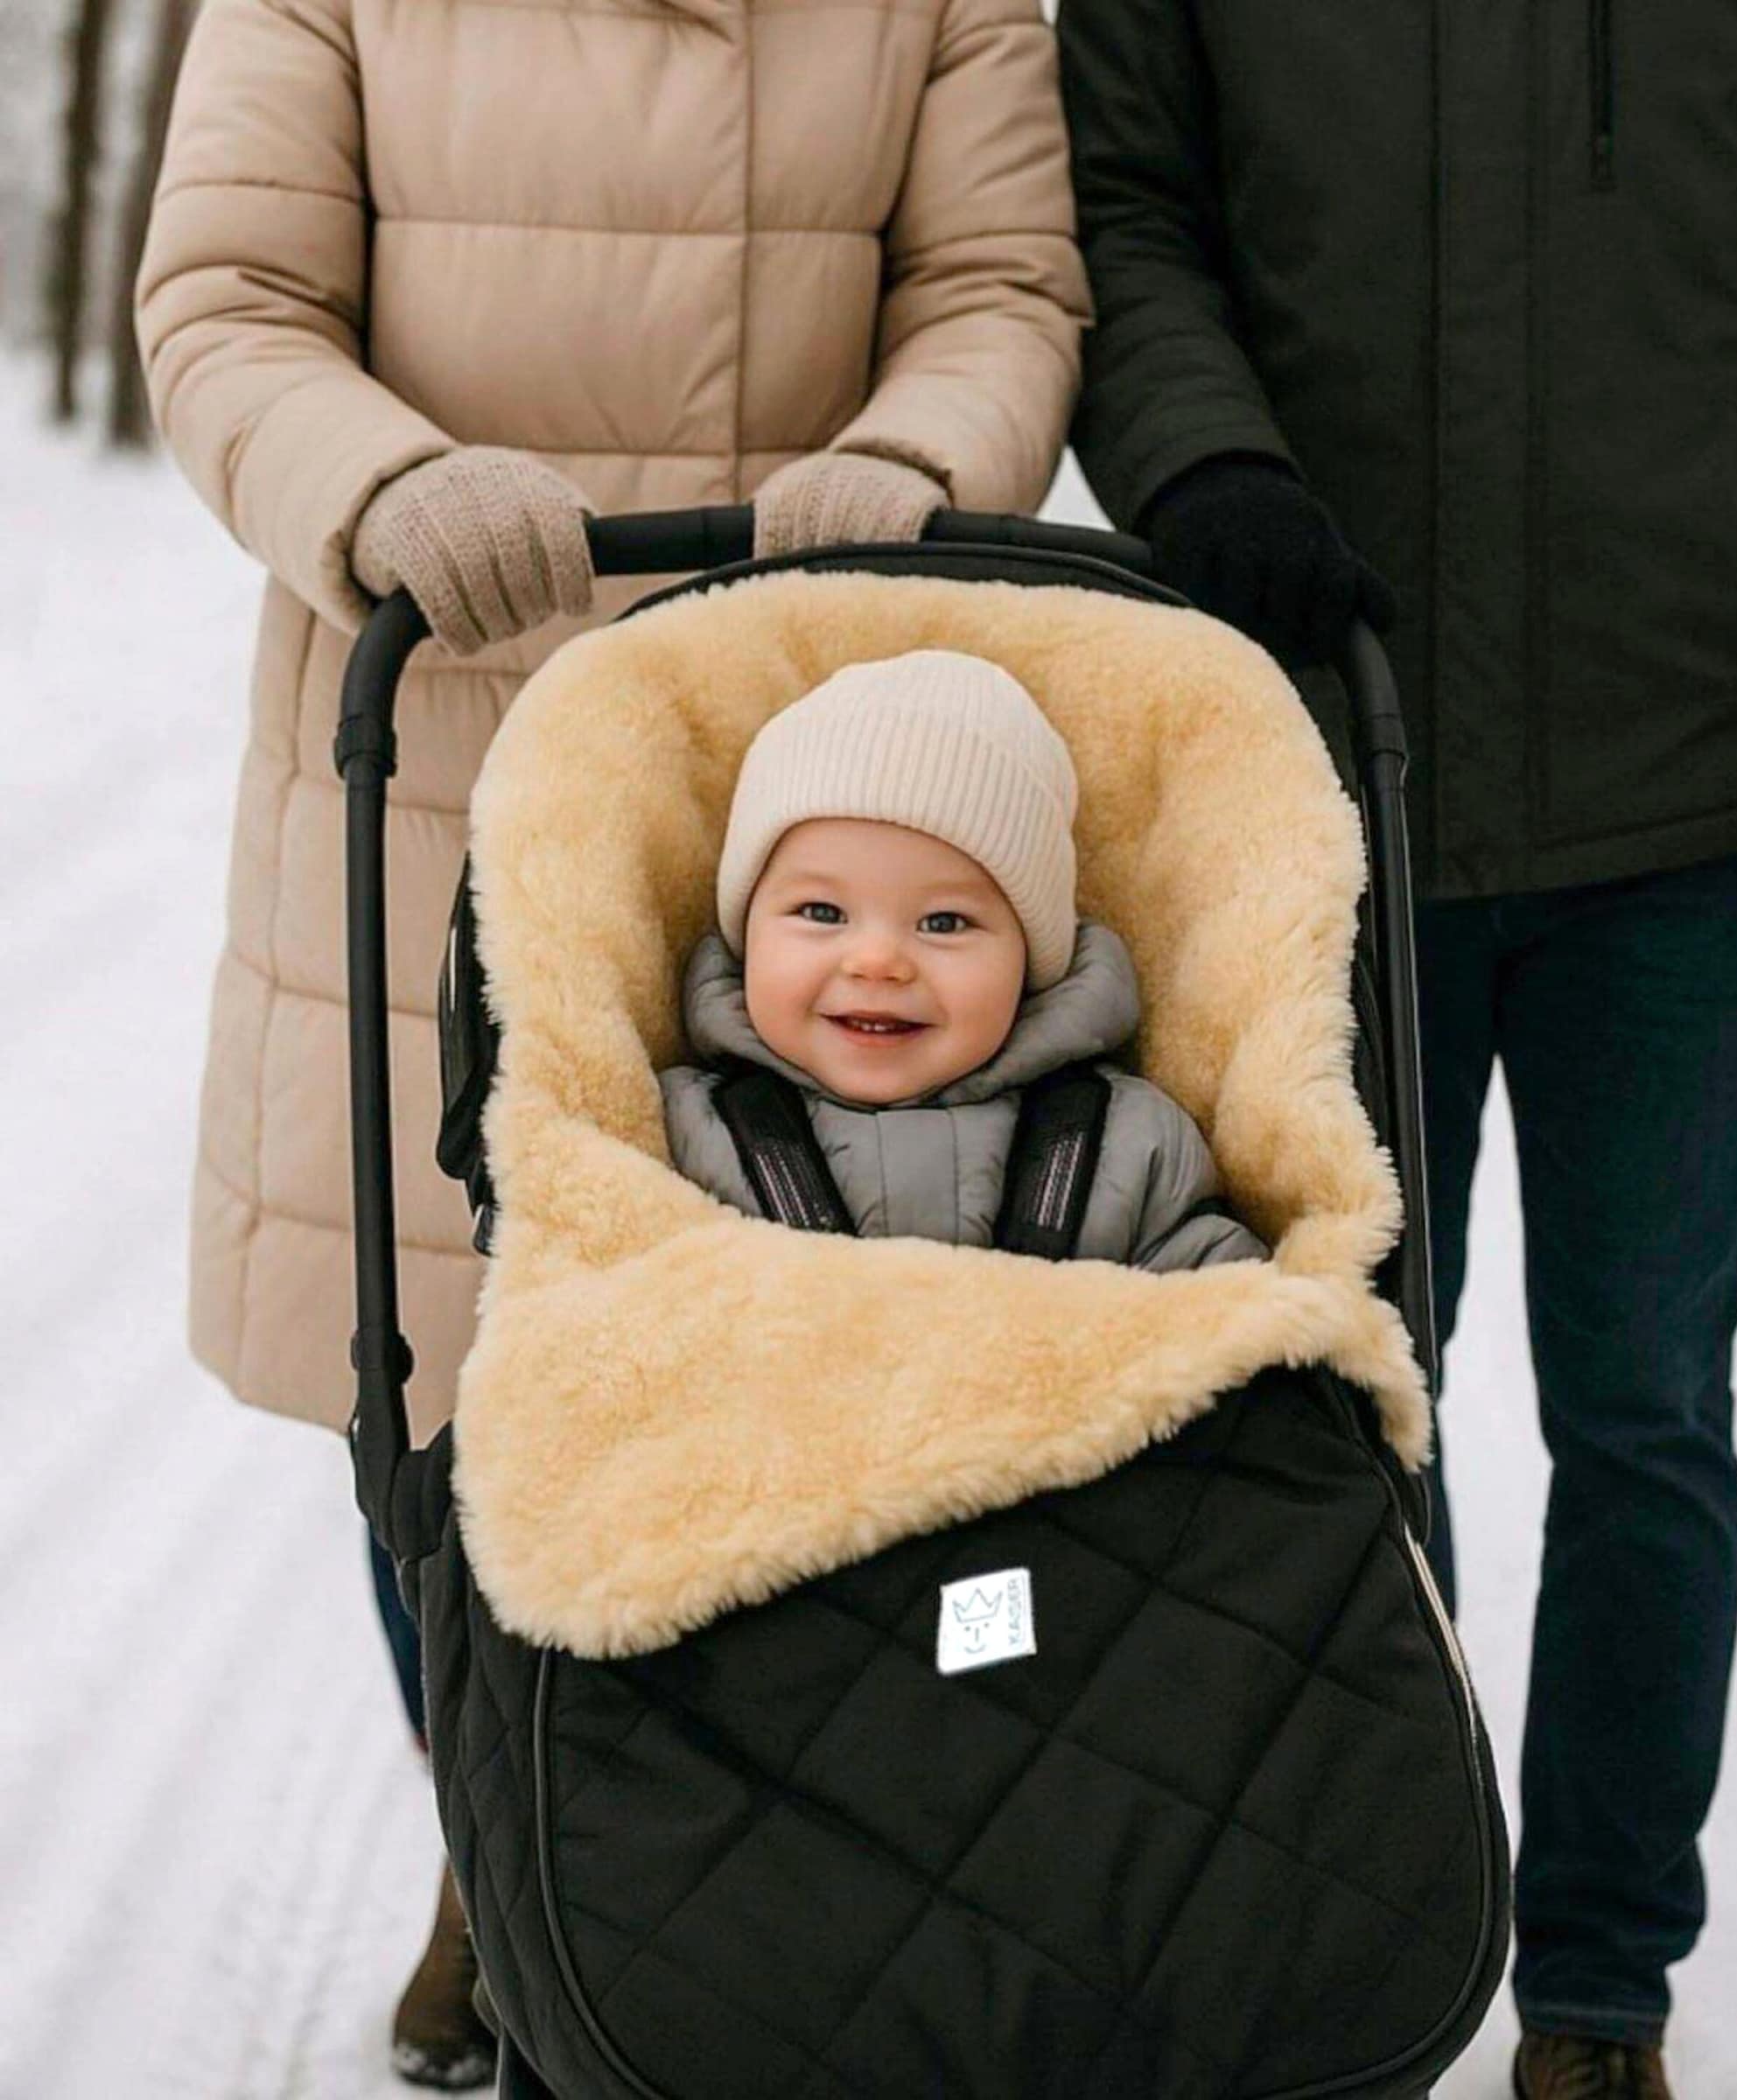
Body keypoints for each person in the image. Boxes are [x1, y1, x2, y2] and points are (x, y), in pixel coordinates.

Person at [1056, 1, 1737, 2092]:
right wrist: (1201, 455)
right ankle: (1365, 1941)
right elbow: (1119, 206)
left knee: (1646, 1410)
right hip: (1313, 760)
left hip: (1675, 782)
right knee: (1327, 1401)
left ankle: (1596, 1993)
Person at [137, 1, 1087, 2082]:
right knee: (434, 1380)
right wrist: (383, 478)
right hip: (432, 746)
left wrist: (919, 457)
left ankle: (711, 1883)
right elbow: (227, 299)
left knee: (784, 1376)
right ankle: (505, 1840)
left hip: (802, 769)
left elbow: (1000, 284)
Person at [659, 649, 1266, 1271]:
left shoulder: (1127, 1143)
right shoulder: (680, 1134)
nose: (877, 961)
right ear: (747, 935)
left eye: (943, 923)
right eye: (821, 912)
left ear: (1029, 962)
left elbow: (1235, 1309)